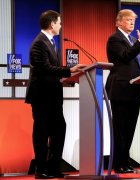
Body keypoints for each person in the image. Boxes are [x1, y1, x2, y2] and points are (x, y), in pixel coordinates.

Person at [25, 10, 86, 179]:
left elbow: (52, 72)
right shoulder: (39, 43)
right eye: (59, 22)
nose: (60, 25)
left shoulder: (51, 43)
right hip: (42, 97)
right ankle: (41, 169)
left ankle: (52, 167)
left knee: (59, 130)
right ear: (52, 24)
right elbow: (44, 68)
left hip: (53, 96)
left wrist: (68, 78)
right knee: (42, 132)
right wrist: (69, 70)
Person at [105, 9, 140, 173]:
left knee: (130, 129)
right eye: (129, 20)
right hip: (121, 89)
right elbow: (125, 56)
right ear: (119, 22)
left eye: (133, 20)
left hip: (135, 89)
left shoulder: (131, 39)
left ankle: (125, 161)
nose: (132, 23)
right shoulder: (115, 38)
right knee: (120, 129)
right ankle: (118, 163)